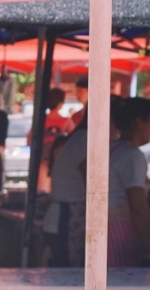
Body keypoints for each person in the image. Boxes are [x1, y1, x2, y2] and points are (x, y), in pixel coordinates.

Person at [108, 96, 150, 266]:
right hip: (120, 234)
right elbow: (137, 205)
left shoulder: (114, 149)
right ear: (139, 122)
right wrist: (148, 246)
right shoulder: (132, 155)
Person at [42, 110, 88, 267]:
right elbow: (93, 182)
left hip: (61, 216)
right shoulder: (83, 140)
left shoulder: (78, 139)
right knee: (67, 270)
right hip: (66, 218)